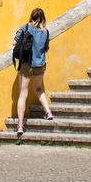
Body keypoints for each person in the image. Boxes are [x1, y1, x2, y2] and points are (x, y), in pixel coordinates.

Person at [13, 8, 55, 136]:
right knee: (38, 89)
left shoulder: (26, 27)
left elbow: (15, 41)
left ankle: (20, 126)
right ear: (43, 18)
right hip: (40, 65)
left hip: (26, 64)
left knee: (23, 94)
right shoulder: (45, 32)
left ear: (32, 16)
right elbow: (46, 48)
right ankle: (48, 112)